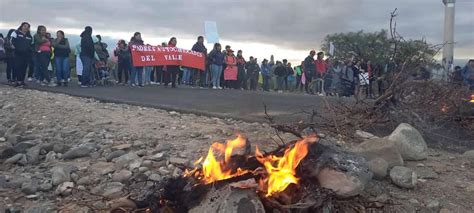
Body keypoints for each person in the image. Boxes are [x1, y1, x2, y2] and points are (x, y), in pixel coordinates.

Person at [11, 22, 33, 87]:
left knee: (24, 68)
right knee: (18, 67)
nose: (26, 27)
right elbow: (12, 41)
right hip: (17, 53)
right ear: (21, 26)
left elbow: (31, 45)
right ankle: (18, 81)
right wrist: (15, 47)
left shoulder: (29, 36)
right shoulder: (16, 33)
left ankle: (22, 81)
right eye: (25, 26)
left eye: (28, 27)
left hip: (26, 54)